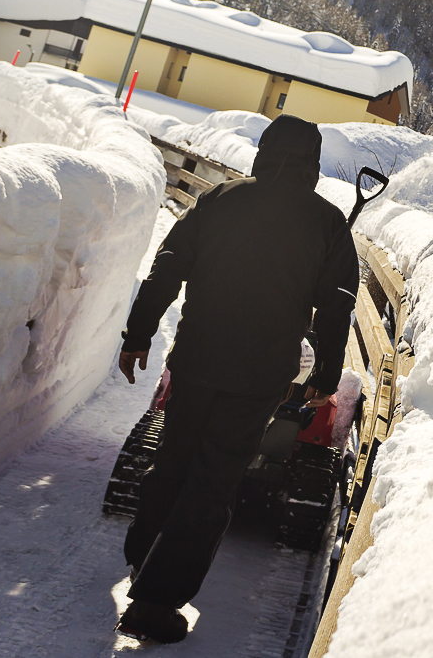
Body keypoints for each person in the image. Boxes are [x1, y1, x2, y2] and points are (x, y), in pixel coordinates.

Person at [114, 114, 359, 643]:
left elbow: (167, 266)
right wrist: (324, 372)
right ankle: (155, 603)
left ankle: (143, 564)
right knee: (213, 479)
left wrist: (138, 333)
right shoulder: (326, 222)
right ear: (313, 164)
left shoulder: (220, 199)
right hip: (258, 375)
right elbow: (337, 304)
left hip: (196, 359)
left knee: (173, 461)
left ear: (264, 151)